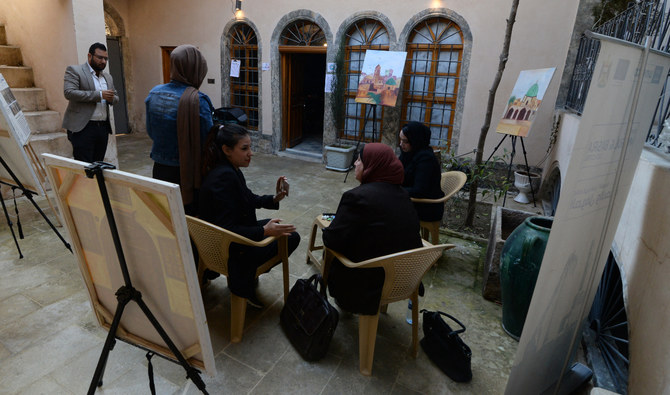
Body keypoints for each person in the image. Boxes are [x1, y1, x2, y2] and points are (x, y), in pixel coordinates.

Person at [198, 123, 300, 309]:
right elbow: (227, 230)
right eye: (244, 148)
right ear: (227, 150)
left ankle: (249, 277)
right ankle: (247, 276)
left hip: (231, 239)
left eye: (250, 147)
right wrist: (264, 230)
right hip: (232, 249)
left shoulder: (228, 170)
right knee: (292, 236)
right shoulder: (224, 177)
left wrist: (274, 198)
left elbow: (248, 197)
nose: (250, 153)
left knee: (283, 230)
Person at [322, 143, 423, 315]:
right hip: (403, 278)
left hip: (368, 285)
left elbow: (331, 240)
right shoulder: (403, 195)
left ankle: (344, 304)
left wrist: (331, 228)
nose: (354, 163)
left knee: (329, 253)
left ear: (373, 165)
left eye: (360, 160)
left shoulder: (357, 197)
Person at [145, 44, 214, 215]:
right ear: (195, 69)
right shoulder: (198, 100)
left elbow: (150, 131)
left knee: (167, 214)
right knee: (189, 217)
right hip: (188, 171)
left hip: (160, 165)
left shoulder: (154, 93)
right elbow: (208, 140)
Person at [62, 42, 119, 163]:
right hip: (83, 127)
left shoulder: (107, 77)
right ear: (89, 56)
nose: (103, 61)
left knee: (98, 164)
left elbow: (116, 97)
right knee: (85, 166)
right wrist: (99, 95)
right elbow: (69, 93)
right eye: (100, 57)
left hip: (102, 127)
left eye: (105, 58)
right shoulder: (75, 71)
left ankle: (96, 183)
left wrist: (111, 98)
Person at [398, 121, 445, 222]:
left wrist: (394, 190)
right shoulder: (408, 153)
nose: (401, 144)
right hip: (411, 200)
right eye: (400, 140)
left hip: (426, 206)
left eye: (405, 141)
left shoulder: (426, 159)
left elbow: (419, 191)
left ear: (415, 140)